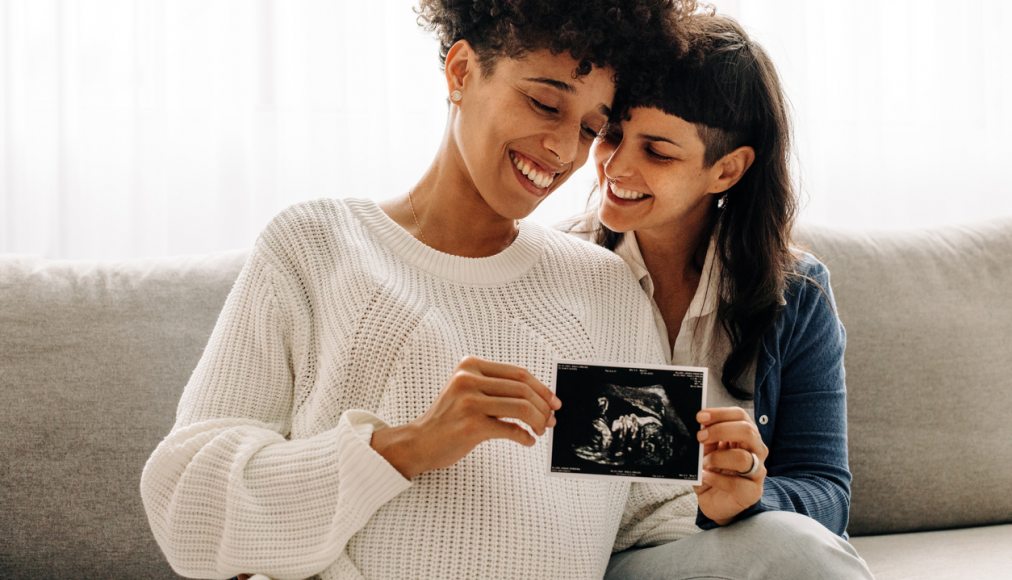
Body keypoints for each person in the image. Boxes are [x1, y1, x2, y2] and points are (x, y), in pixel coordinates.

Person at [139, 2, 699, 579]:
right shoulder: (317, 246)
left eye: (588, 129)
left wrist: (728, 497)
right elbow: (187, 511)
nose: (562, 150)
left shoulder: (604, 290)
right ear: (461, 72)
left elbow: (651, 517)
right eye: (544, 103)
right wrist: (406, 448)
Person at [565, 12, 875, 579]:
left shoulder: (796, 295)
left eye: (657, 151)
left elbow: (826, 491)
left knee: (795, 546)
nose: (616, 164)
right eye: (611, 132)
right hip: (586, 556)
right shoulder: (554, 267)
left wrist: (752, 499)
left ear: (727, 170)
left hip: (721, 551)